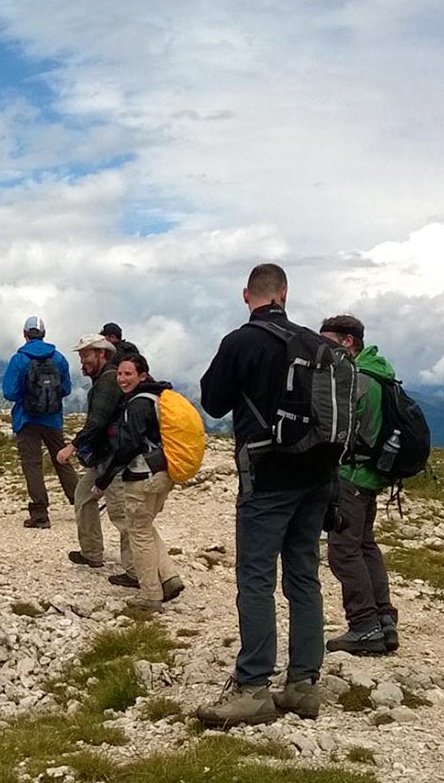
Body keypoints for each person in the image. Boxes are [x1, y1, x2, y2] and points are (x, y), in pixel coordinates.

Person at [193, 263, 338, 727]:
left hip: (267, 475)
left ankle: (254, 686)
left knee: (256, 578)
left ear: (246, 295)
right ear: (285, 293)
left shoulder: (240, 342)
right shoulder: (317, 344)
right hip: (317, 476)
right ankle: (302, 684)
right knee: (304, 576)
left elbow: (213, 402)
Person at [318, 315, 400, 655]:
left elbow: (342, 428)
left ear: (347, 341)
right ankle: (384, 619)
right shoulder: (381, 374)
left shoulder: (356, 379)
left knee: (343, 551)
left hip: (351, 476)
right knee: (365, 545)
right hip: (373, 477)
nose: (323, 349)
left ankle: (364, 625)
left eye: (328, 342)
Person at [92, 353, 186, 609]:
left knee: (139, 532)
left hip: (141, 476)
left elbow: (129, 446)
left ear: (142, 376)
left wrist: (105, 478)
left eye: (128, 374)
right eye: (120, 374)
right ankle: (169, 577)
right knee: (145, 525)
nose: (122, 379)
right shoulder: (157, 398)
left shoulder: (136, 405)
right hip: (162, 473)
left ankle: (150, 594)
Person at [0, 315, 77, 528]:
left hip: (26, 419)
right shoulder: (59, 358)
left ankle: (40, 514)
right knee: (61, 459)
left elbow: (10, 392)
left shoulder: (19, 359)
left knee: (32, 464)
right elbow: (67, 389)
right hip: (52, 418)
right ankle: (81, 503)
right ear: (44, 334)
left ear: (25, 335)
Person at [56, 334, 125, 569]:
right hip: (105, 456)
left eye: (86, 355)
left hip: (118, 458)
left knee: (122, 515)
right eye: (81, 356)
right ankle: (92, 552)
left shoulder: (107, 382)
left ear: (102, 354)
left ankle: (139, 572)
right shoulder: (105, 379)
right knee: (83, 495)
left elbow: (97, 422)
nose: (82, 361)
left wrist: (72, 447)